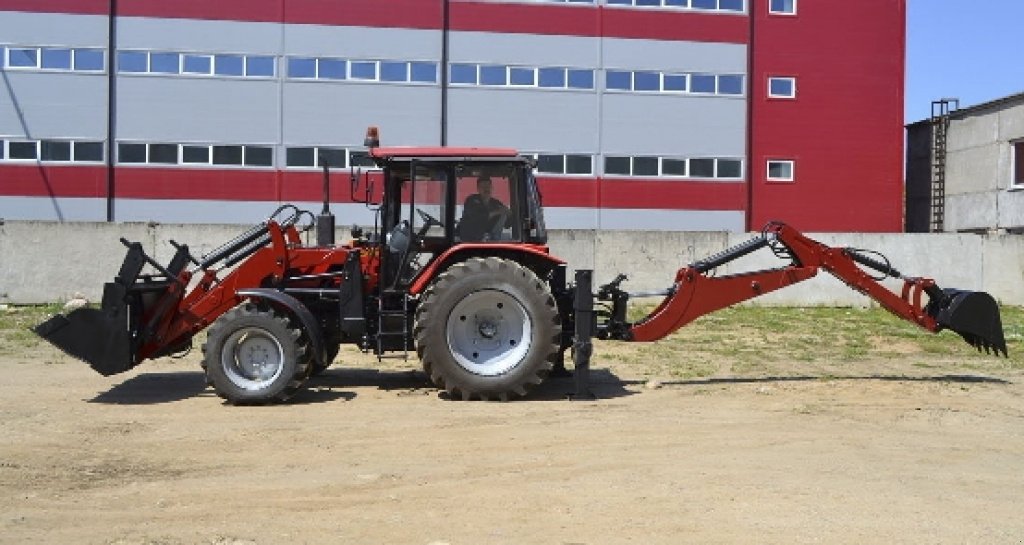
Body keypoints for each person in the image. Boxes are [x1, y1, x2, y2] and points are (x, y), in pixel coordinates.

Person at [458, 175, 511, 242]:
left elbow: (507, 225)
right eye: (483, 187)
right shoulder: (471, 200)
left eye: (488, 186)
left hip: (491, 239)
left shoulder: (496, 203)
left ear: (492, 188)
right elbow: (477, 217)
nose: (486, 189)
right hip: (469, 239)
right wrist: (497, 212)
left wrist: (508, 214)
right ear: (478, 189)